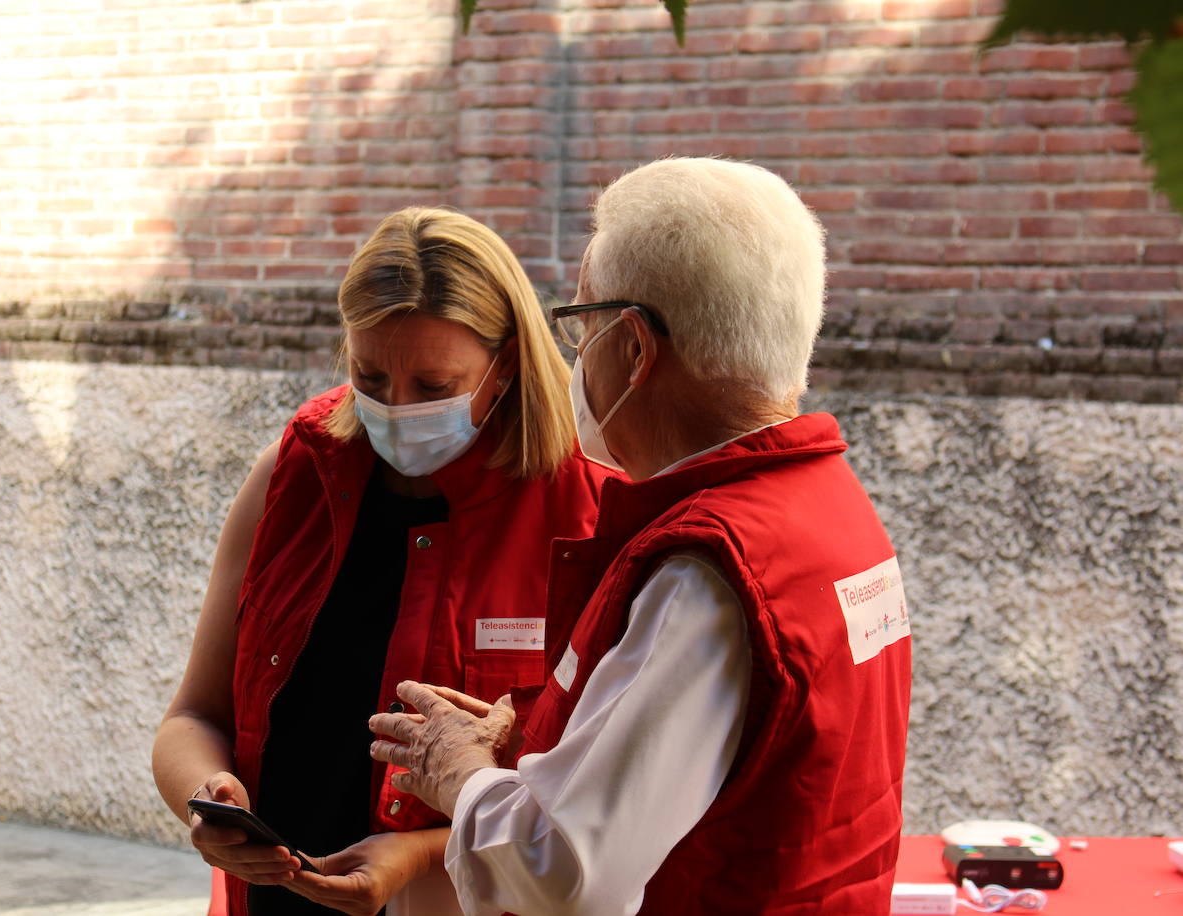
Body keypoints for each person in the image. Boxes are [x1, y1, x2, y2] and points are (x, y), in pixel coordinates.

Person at [368, 158, 914, 915]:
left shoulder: (713, 568)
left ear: (632, 347)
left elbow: (566, 876)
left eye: (582, 323)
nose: (576, 357)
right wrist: (533, 741)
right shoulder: (827, 508)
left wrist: (457, 770)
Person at [151, 207, 614, 916]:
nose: (396, 408)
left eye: (433, 387)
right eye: (369, 376)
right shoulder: (293, 474)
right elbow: (193, 715)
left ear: (507, 365)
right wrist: (208, 798)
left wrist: (421, 852)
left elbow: (602, 794)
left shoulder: (587, 514)